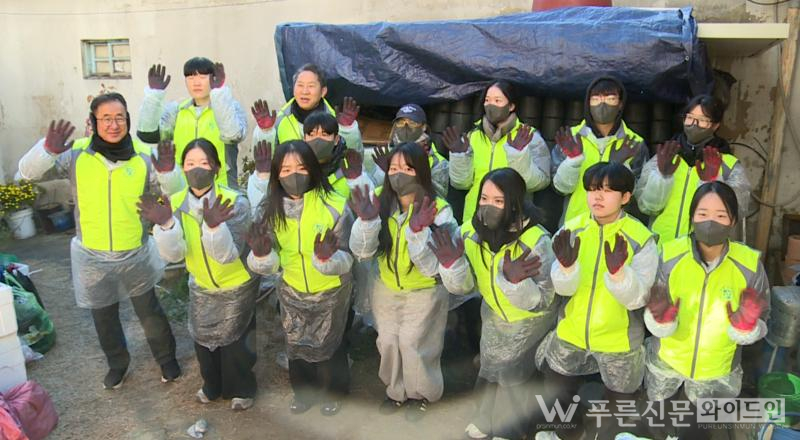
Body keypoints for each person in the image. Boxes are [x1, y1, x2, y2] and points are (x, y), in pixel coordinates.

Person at [16, 93, 180, 389]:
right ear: (93, 121)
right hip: (91, 254)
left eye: (119, 118)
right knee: (104, 316)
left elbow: (173, 191)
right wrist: (46, 151)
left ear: (127, 120)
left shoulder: (144, 156)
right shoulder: (75, 154)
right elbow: (26, 174)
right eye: (106, 118)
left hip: (134, 251)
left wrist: (168, 174)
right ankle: (117, 364)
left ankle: (167, 359)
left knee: (149, 312)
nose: (113, 125)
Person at [536, 162, 657, 440]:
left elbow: (639, 298)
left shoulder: (640, 239)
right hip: (573, 331)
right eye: (592, 189)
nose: (597, 197)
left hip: (619, 339)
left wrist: (619, 275)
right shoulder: (572, 229)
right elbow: (562, 290)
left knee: (619, 408)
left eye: (608, 190)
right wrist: (566, 268)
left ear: (626, 197)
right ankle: (569, 434)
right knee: (557, 394)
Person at [435, 168, 557, 440]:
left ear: (514, 203)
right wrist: (452, 265)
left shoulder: (536, 240)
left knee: (513, 377)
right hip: (494, 315)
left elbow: (545, 299)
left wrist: (515, 284)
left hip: (528, 321)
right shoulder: (470, 233)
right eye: (484, 198)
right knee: (490, 368)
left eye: (499, 201)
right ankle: (483, 418)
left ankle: (509, 430)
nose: (488, 206)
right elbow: (465, 287)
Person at [643, 181, 769, 439]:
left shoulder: (749, 265)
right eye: (702, 214)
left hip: (716, 370)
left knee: (695, 433)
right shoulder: (670, 255)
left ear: (733, 221)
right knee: (659, 425)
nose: (710, 222)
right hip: (667, 362)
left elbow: (764, 318)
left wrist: (746, 328)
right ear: (692, 218)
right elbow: (655, 305)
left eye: (720, 215)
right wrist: (661, 320)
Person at [140, 138, 258, 411]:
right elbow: (175, 255)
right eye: (190, 163)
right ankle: (211, 385)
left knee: (237, 344)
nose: (197, 169)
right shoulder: (176, 203)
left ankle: (242, 388)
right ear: (182, 168)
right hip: (201, 284)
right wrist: (166, 225)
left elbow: (229, 254)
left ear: (217, 167)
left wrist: (214, 228)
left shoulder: (235, 202)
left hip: (235, 283)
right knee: (204, 342)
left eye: (204, 163)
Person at [348, 142, 458, 422]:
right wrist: (366, 221)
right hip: (386, 286)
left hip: (424, 290)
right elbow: (362, 252)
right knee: (387, 341)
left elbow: (433, 266)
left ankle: (421, 394)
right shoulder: (378, 200)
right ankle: (395, 390)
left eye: (408, 168)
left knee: (413, 343)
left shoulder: (439, 210)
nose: (399, 174)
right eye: (394, 167)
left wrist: (418, 230)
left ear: (421, 172)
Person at [246, 140, 355, 416]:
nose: (293, 175)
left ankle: (334, 392)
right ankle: (304, 392)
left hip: (330, 289)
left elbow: (349, 257)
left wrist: (327, 259)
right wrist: (262, 255)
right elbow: (269, 261)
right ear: (276, 174)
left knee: (331, 344)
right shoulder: (269, 210)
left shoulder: (334, 205)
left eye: (301, 167)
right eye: (285, 169)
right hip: (292, 288)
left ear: (313, 170)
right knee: (296, 343)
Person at [635, 94, 751, 244]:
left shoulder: (729, 165)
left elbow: (736, 211)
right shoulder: (666, 155)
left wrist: (712, 183)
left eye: (703, 120)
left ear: (715, 125)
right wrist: (661, 177)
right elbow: (647, 207)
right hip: (662, 247)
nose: (694, 125)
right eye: (690, 118)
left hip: (703, 249)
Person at [446, 81, 551, 224]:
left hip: (511, 221)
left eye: (497, 100)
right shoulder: (473, 136)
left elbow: (540, 183)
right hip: (474, 220)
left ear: (511, 106)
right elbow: (461, 184)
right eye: (487, 100)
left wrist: (519, 156)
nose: (491, 105)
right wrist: (459, 157)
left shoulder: (529, 136)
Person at [551, 76, 648, 225]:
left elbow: (638, 195)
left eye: (610, 99)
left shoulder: (634, 143)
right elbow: (560, 188)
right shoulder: (571, 138)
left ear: (620, 104)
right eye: (595, 99)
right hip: (575, 226)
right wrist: (573, 160)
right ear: (587, 103)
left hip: (617, 227)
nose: (602, 104)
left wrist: (620, 167)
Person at [137, 59, 248, 188]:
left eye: (202, 77)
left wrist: (219, 94)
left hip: (222, 188)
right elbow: (148, 135)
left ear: (214, 78)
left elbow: (233, 135)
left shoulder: (229, 107)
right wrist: (154, 96)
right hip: (183, 190)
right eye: (190, 78)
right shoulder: (177, 111)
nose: (196, 83)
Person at [247, 111, 374, 218]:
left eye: (324, 134)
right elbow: (265, 205)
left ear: (336, 139)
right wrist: (263, 176)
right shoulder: (294, 169)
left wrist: (356, 180)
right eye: (311, 134)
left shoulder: (349, 166)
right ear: (304, 138)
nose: (317, 139)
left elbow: (369, 203)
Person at [250, 63, 363, 155]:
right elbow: (264, 162)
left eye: (311, 86)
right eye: (300, 85)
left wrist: (348, 131)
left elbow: (354, 159)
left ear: (323, 91)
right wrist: (265, 132)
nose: (305, 91)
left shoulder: (336, 121)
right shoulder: (279, 120)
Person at [370, 104, 449, 199]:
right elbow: (373, 189)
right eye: (401, 122)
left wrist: (415, 169)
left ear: (423, 127)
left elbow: (438, 197)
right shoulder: (387, 155)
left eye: (412, 123)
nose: (406, 126)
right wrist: (387, 171)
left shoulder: (439, 163)